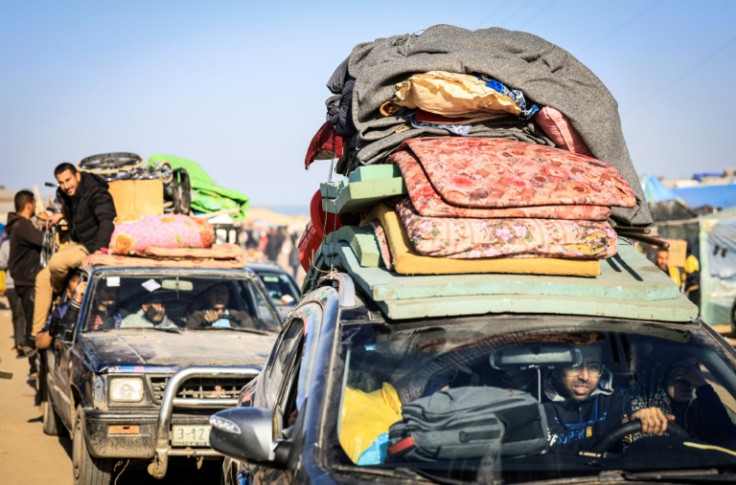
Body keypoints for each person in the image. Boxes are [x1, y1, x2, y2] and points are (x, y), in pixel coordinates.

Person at [33, 162, 117, 344]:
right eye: (61, 182)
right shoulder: (68, 194)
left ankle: (62, 289)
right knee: (41, 278)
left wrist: (99, 251)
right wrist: (61, 215)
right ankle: (36, 336)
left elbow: (107, 220)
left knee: (57, 263)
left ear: (77, 176)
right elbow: (73, 211)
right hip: (78, 242)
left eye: (68, 180)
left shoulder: (96, 192)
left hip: (92, 245)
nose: (66, 186)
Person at [543, 342, 671, 452]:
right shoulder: (537, 401)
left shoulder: (615, 397)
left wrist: (635, 421)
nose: (584, 376)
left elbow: (622, 446)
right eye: (574, 366)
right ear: (556, 370)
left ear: (601, 370)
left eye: (593, 367)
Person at [6, 190, 45, 375]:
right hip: (28, 281)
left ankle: (33, 363)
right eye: (34, 204)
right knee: (33, 324)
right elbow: (43, 240)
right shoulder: (22, 225)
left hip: (23, 279)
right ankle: (33, 366)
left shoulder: (17, 225)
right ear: (29, 204)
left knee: (29, 321)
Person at [35, 271, 82, 350]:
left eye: (82, 293)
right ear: (69, 293)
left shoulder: (95, 307)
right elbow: (39, 343)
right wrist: (56, 329)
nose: (78, 296)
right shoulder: (61, 311)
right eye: (74, 293)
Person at [185, 283, 263, 330]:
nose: (220, 296)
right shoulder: (198, 316)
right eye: (216, 292)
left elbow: (252, 333)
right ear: (207, 296)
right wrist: (204, 322)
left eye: (224, 292)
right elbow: (187, 333)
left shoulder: (240, 316)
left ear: (228, 296)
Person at [0, 234, 27, 357]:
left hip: (15, 283)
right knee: (20, 314)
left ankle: (19, 342)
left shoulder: (7, 244)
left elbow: (1, 263)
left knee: (17, 314)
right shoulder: (23, 242)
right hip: (19, 283)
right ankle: (20, 342)